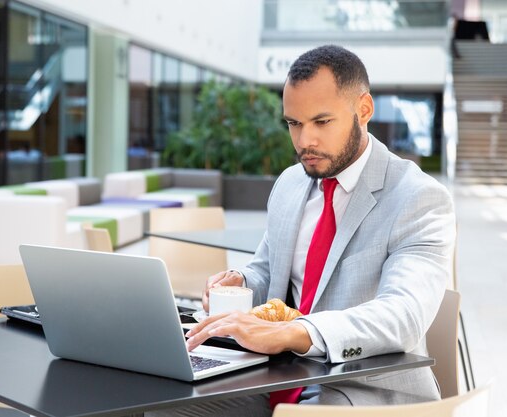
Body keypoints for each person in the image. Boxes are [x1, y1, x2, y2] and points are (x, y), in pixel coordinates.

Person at [183, 44, 456, 411]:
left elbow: (403, 314)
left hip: (361, 389)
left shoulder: (417, 197)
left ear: (364, 109)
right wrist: (242, 282)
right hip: (273, 377)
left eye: (321, 122)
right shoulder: (290, 184)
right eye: (294, 123)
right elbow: (269, 270)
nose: (304, 141)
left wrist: (294, 333)